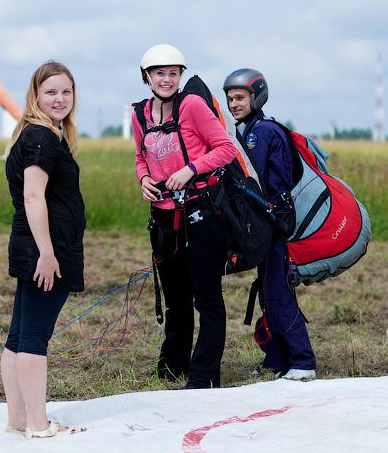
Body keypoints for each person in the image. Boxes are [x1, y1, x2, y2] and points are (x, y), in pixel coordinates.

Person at [133, 44, 237, 389]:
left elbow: (225, 149)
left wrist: (191, 169)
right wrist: (144, 179)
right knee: (176, 297)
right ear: (147, 77)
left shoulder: (192, 105)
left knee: (206, 296)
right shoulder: (140, 115)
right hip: (163, 217)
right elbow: (140, 156)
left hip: (201, 212)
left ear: (181, 75)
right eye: (159, 73)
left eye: (173, 73)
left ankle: (204, 375)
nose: (166, 79)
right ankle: (172, 366)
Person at [0, 61, 86, 438]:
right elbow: (33, 196)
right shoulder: (41, 137)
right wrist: (48, 254)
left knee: (19, 336)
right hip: (44, 248)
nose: (60, 99)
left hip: (33, 243)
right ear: (36, 95)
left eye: (66, 91)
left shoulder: (41, 134)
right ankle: (37, 424)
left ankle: (18, 420)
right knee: (34, 336)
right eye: (51, 91)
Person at [224, 68, 317, 381]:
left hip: (273, 222)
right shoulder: (250, 129)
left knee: (277, 292)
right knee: (267, 291)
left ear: (256, 96)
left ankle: (302, 361)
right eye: (230, 98)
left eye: (240, 97)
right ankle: (277, 360)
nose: (233, 103)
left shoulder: (261, 133)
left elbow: (262, 183)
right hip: (264, 222)